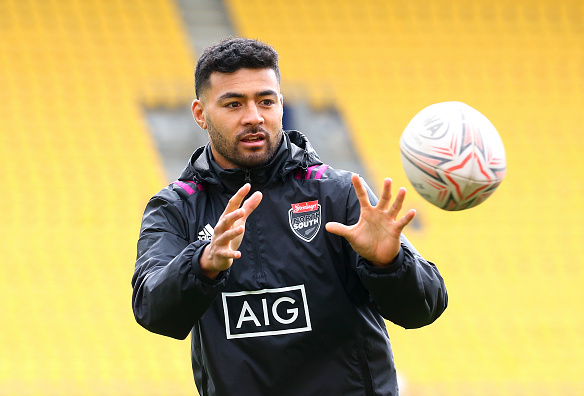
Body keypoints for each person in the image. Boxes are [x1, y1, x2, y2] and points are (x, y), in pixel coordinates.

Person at [132, 37, 447, 396]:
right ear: (200, 114)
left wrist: (388, 264)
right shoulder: (176, 208)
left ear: (281, 104)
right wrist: (203, 263)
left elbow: (424, 309)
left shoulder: (338, 193)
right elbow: (152, 310)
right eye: (233, 104)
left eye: (265, 101)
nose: (253, 117)